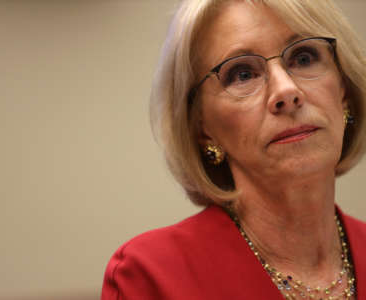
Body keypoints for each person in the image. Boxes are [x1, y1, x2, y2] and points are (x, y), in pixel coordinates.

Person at [101, 0, 366, 299]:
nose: (286, 91)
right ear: (202, 127)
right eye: (242, 74)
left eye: (303, 58)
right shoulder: (152, 276)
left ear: (343, 89)